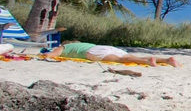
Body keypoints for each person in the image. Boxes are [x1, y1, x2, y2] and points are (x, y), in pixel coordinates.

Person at [48, 42, 181, 67]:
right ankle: (166, 60)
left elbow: (52, 55)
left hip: (95, 52)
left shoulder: (65, 47)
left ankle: (147, 62)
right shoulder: (84, 43)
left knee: (120, 60)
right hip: (105, 47)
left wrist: (45, 55)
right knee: (128, 57)